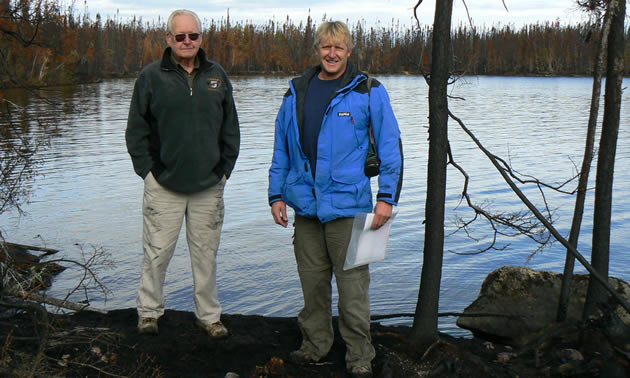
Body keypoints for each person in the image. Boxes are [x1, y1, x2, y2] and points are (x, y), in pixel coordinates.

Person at [268, 21, 403, 378]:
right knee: (312, 285)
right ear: (318, 49)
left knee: (353, 288)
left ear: (349, 52)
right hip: (306, 208)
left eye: (338, 47)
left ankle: (360, 354)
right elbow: (281, 149)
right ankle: (316, 345)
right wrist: (276, 194)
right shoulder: (296, 91)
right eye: (326, 46)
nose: (331, 53)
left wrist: (386, 198)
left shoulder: (369, 91)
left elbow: (391, 148)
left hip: (349, 206)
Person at [125, 9, 240, 338]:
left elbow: (231, 129)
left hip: (208, 185)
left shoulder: (217, 76)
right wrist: (148, 171)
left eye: (193, 35)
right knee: (156, 253)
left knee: (206, 255)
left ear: (202, 38)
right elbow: (136, 131)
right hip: (164, 185)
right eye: (180, 36)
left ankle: (209, 316)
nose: (187, 41)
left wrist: (224, 170)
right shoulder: (150, 77)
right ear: (168, 39)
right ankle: (149, 312)